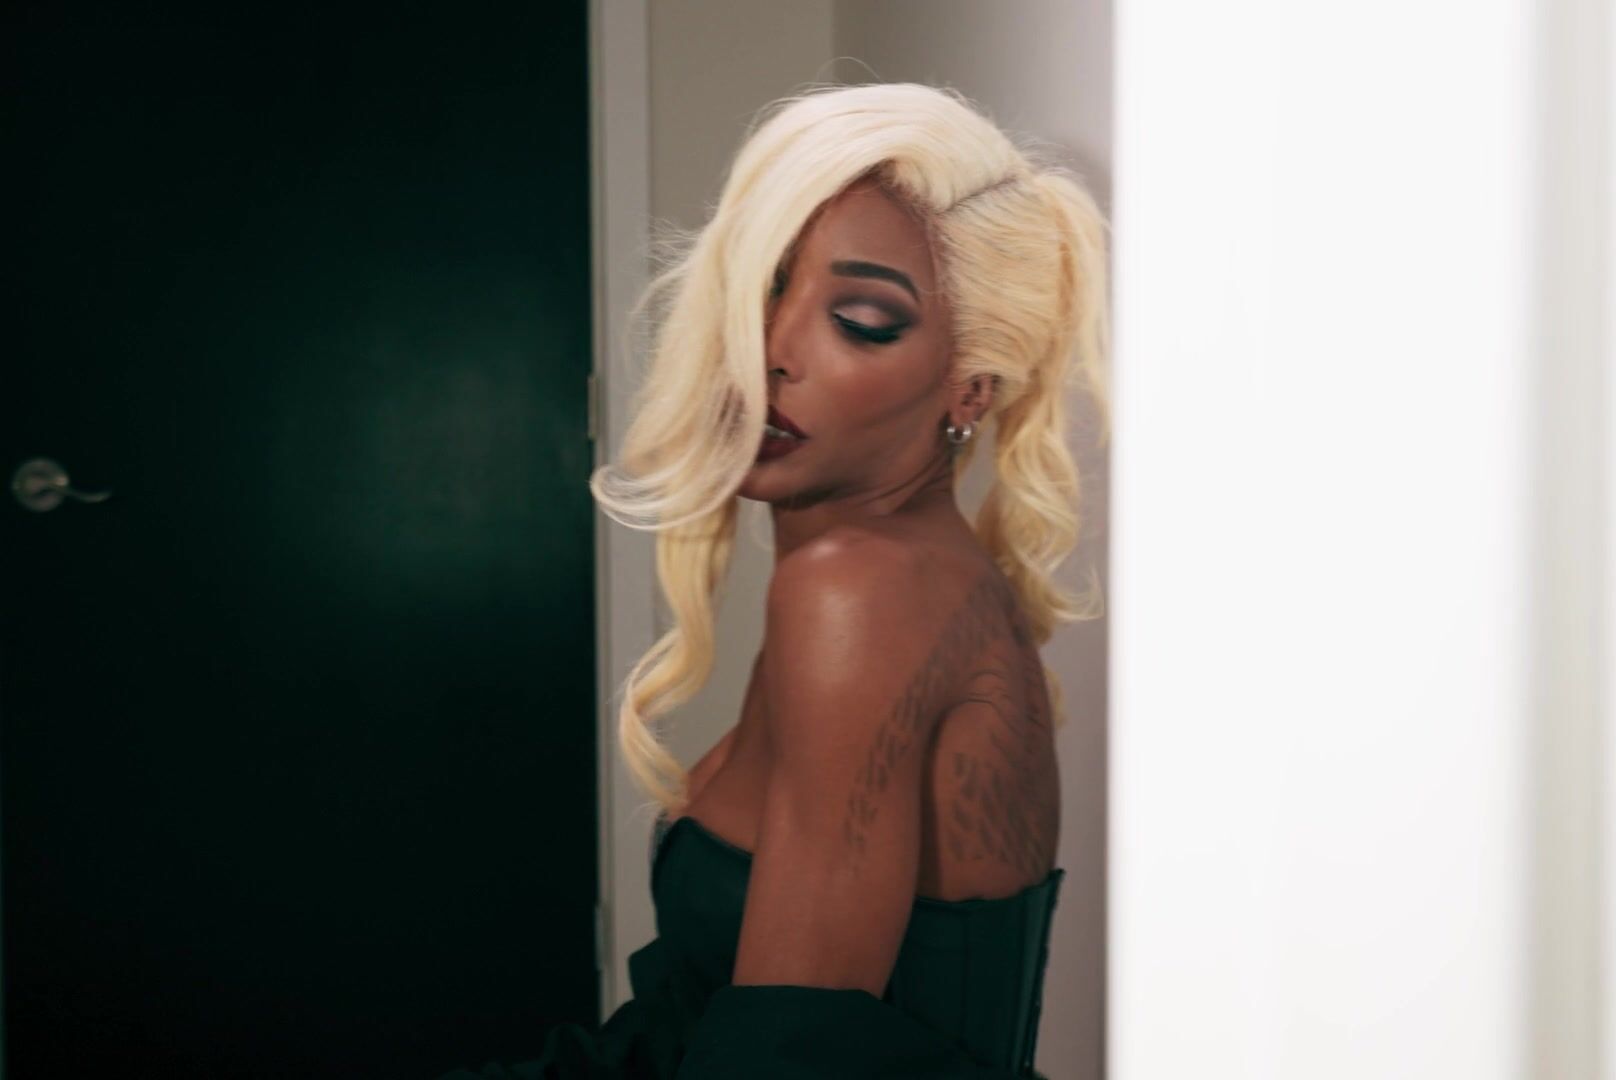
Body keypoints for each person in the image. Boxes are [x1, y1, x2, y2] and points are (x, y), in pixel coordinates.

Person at [437, 79, 1110, 1080]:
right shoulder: (901, 576)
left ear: (969, 386)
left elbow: (779, 1056)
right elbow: (693, 1030)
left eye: (861, 318)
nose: (771, 351)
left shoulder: (860, 591)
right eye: (763, 286)